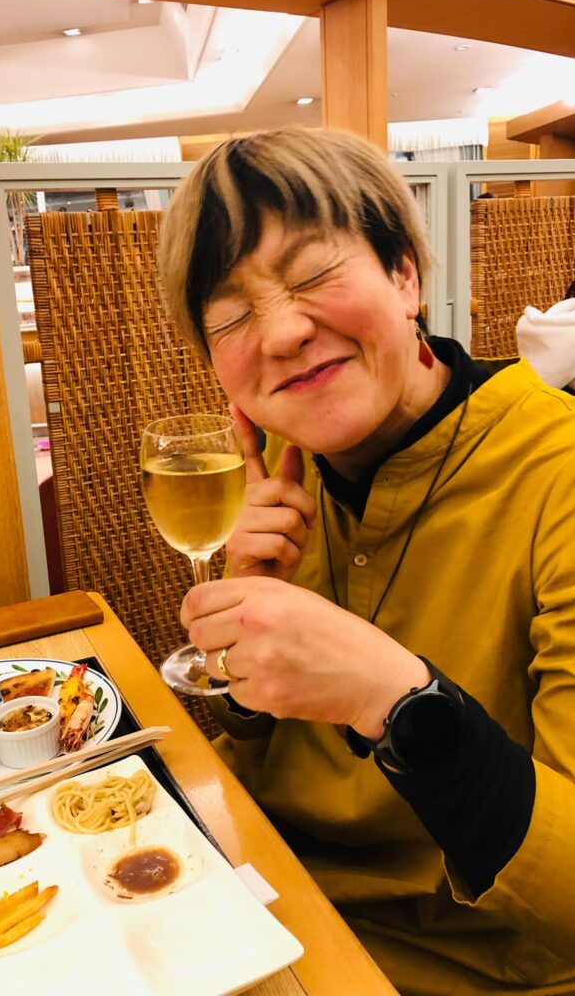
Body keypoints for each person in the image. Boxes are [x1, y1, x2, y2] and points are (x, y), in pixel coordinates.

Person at [157, 127, 575, 996]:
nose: (282, 332)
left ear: (405, 276)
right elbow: (259, 747)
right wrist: (241, 637)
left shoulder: (556, 476)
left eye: (313, 274)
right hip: (259, 901)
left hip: (463, 964)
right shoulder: (288, 472)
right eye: (231, 316)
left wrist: (402, 703)